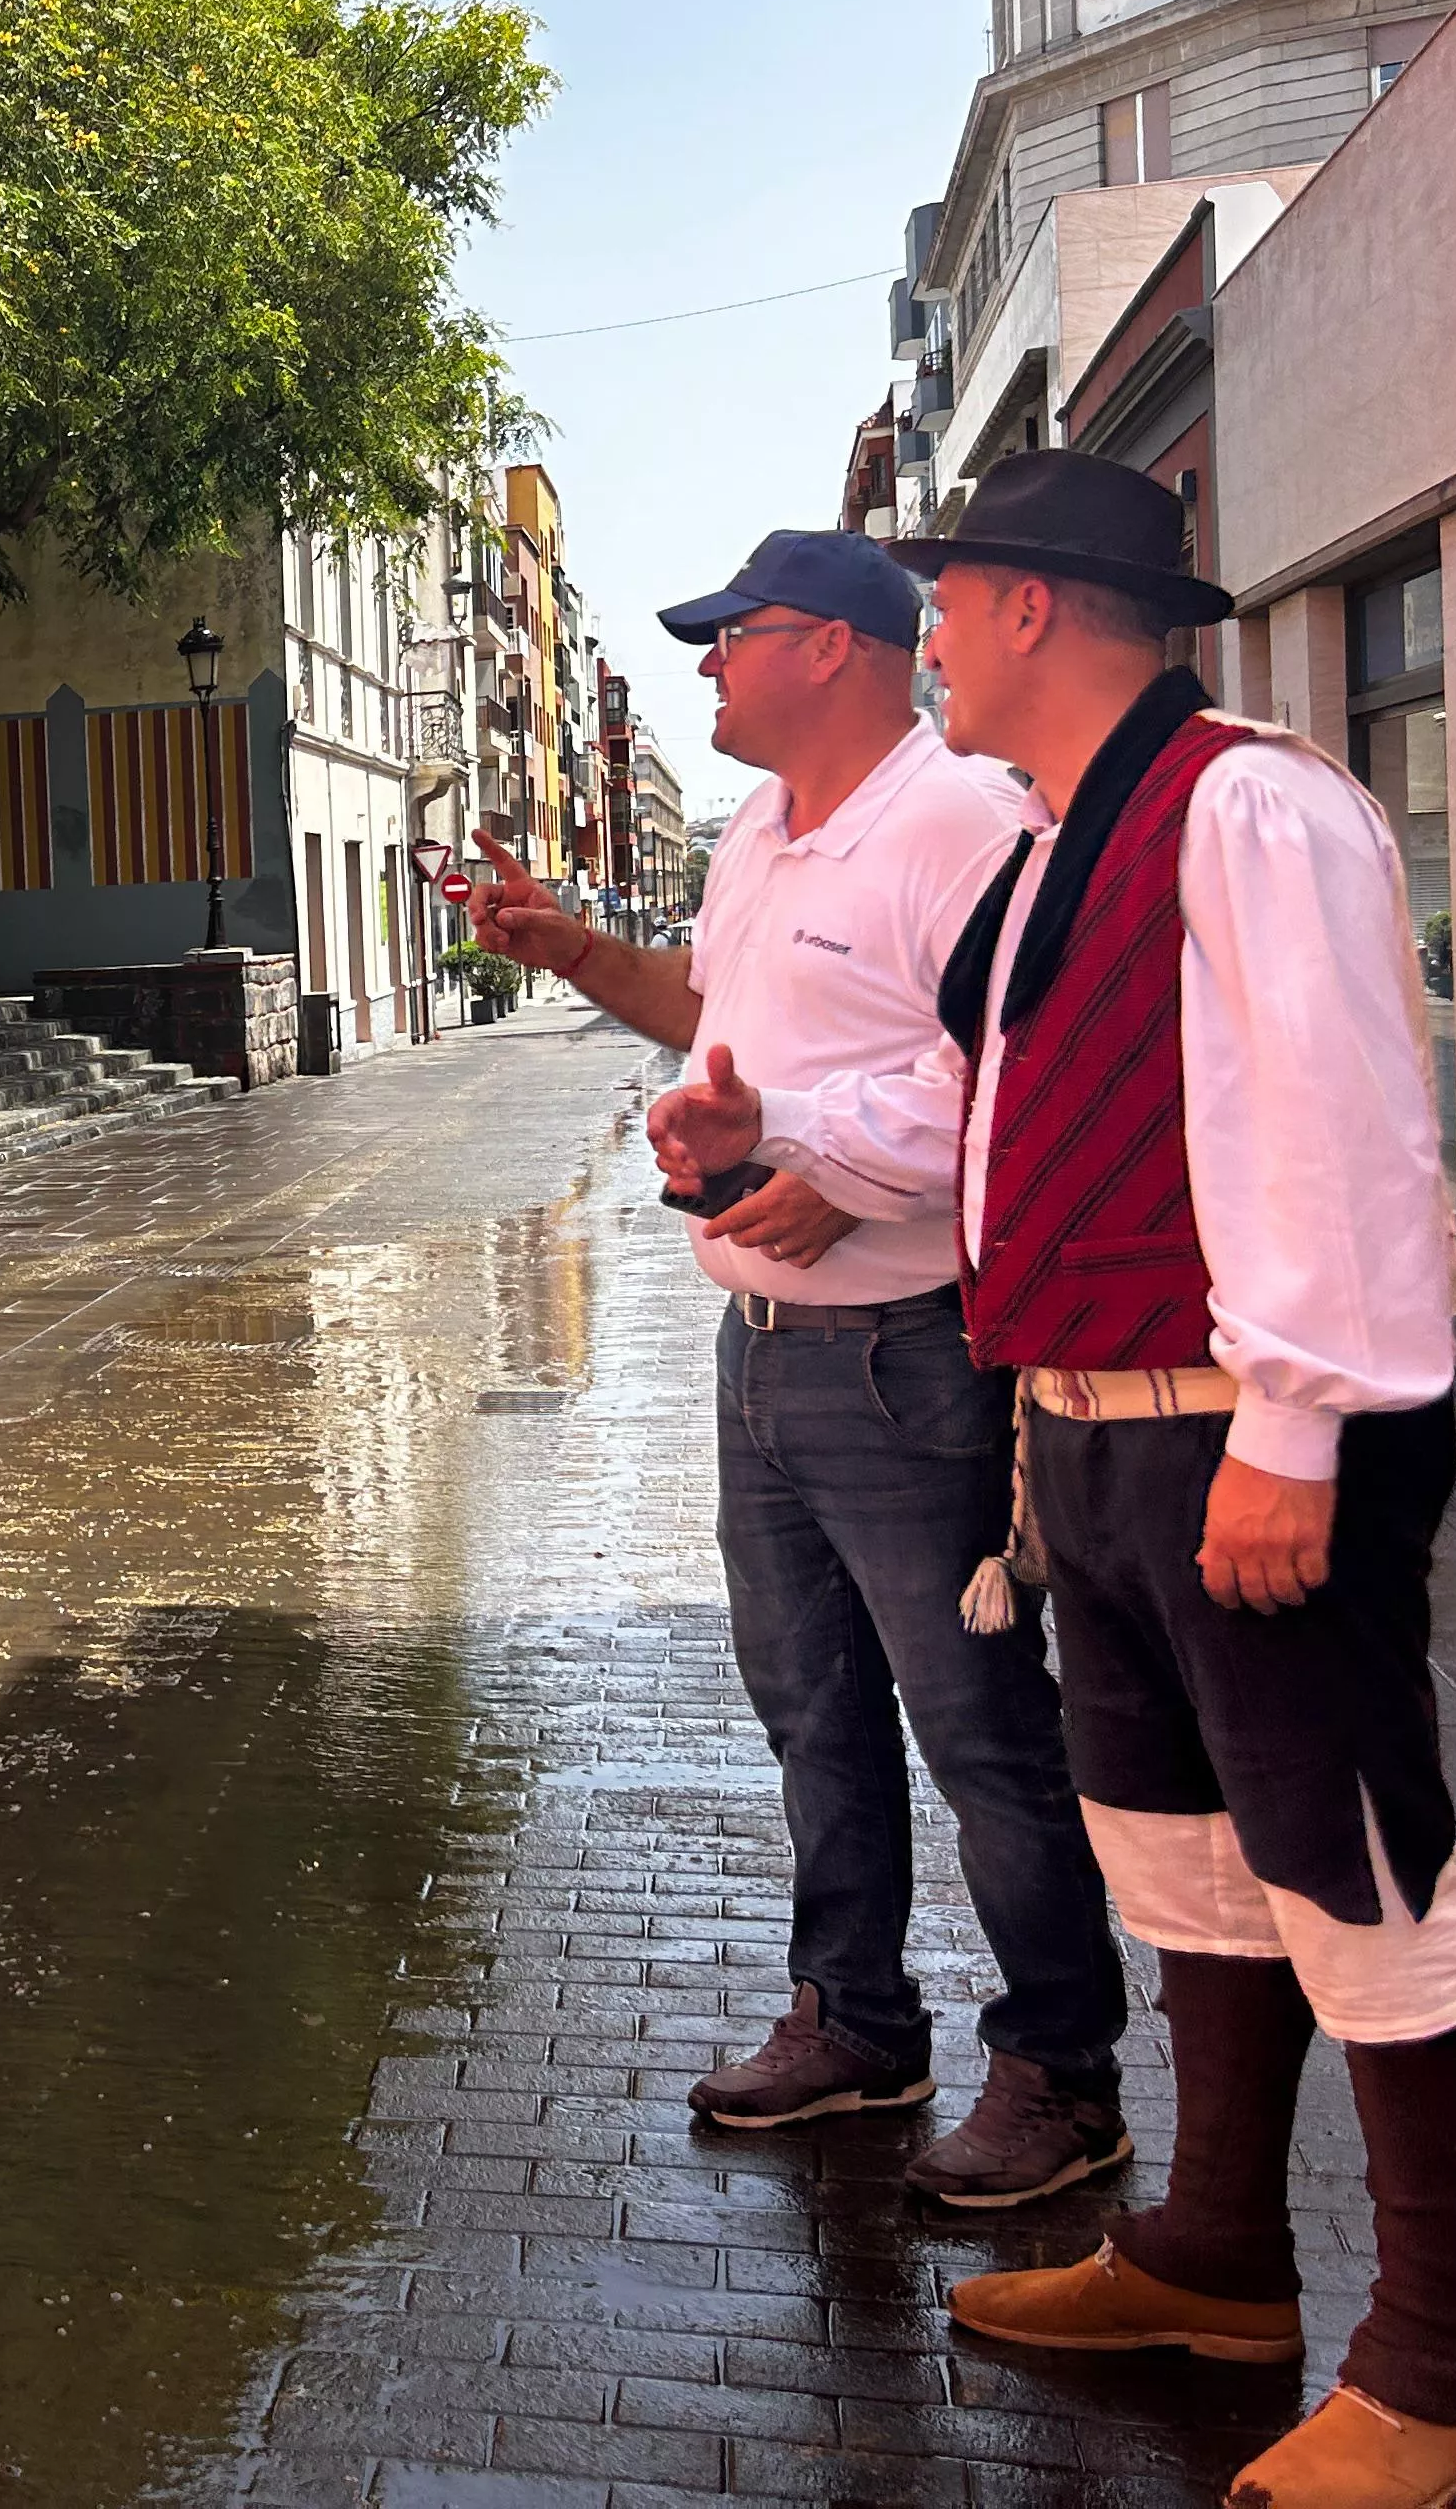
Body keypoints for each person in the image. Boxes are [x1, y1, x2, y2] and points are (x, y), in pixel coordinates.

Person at [654, 451, 1456, 2509]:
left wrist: (1297, 1428)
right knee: (1191, 1868)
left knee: (1360, 1879)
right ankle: (1213, 2259)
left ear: (1037, 605)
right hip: (1103, 1426)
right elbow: (1001, 1122)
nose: (927, 630)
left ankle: (1437, 2376)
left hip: (1244, 1429)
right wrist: (791, 1164)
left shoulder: (1247, 803)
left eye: (947, 601)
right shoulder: (1056, 850)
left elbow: (1342, 1127)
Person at [467, 528, 1129, 2207]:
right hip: (761, 1347)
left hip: (914, 1357)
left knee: (979, 1728)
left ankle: (1061, 2070)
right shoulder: (764, 828)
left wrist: (823, 1162)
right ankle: (855, 2019)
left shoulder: (966, 828)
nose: (704, 665)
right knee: (811, 1709)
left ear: (832, 648)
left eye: (731, 636)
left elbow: (1002, 1066)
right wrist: (574, 956)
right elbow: (715, 1016)